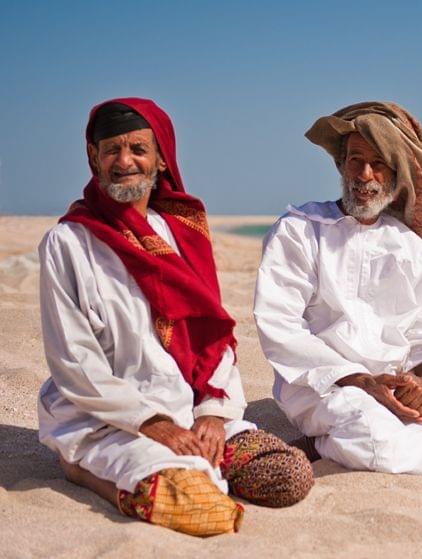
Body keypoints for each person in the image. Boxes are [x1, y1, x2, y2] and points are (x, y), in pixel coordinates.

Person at [38, 98, 313, 537]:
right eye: (111, 150)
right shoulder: (67, 243)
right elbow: (74, 361)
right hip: (108, 420)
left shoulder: (182, 233)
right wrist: (153, 423)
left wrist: (211, 414)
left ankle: (189, 454)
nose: (124, 161)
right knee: (202, 509)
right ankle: (81, 469)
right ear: (94, 158)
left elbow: (212, 337)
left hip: (190, 412)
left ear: (161, 158)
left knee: (287, 475)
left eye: (138, 149)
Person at [253, 101, 422, 479]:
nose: (365, 175)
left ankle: (406, 436)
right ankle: (329, 441)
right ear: (341, 166)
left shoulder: (412, 249)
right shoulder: (300, 229)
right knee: (373, 435)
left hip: (400, 385)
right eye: (355, 161)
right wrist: (360, 380)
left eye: (378, 163)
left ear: (395, 176)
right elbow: (280, 326)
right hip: (328, 386)